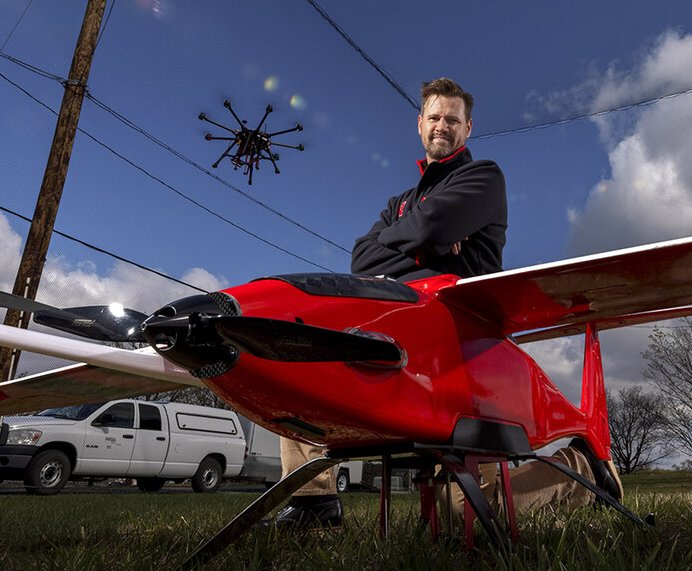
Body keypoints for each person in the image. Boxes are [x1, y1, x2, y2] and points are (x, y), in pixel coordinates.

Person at [263, 78, 618, 531]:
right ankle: (315, 503)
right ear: (419, 124)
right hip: (400, 328)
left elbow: (432, 226)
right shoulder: (399, 203)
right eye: (434, 117)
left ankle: (583, 468)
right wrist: (431, 243)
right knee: (307, 361)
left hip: (467, 344)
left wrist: (417, 239)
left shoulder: (484, 177)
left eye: (453, 119)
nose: (442, 126)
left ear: (468, 127)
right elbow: (361, 257)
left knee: (463, 519)